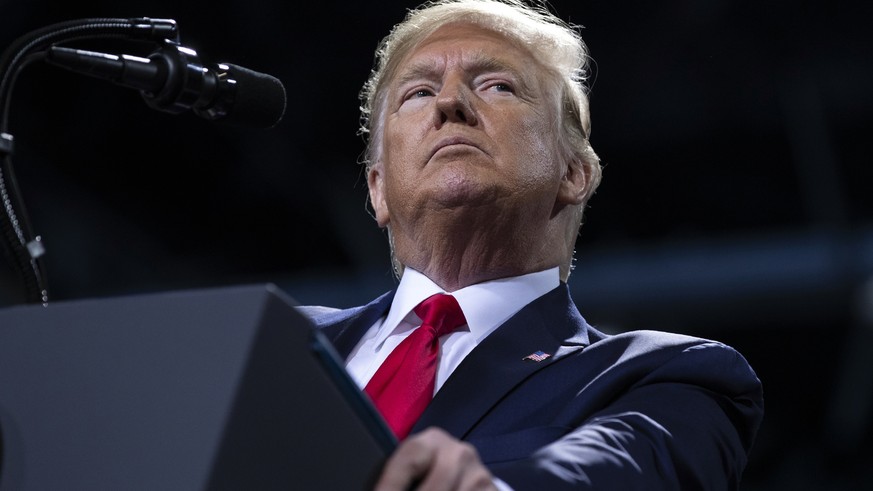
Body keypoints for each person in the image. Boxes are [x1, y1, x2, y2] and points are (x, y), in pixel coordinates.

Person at [301, 0, 764, 489]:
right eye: (417, 92)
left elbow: (618, 468)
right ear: (378, 188)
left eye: (496, 85)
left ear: (573, 173)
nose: (448, 103)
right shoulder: (276, 338)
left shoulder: (665, 377)